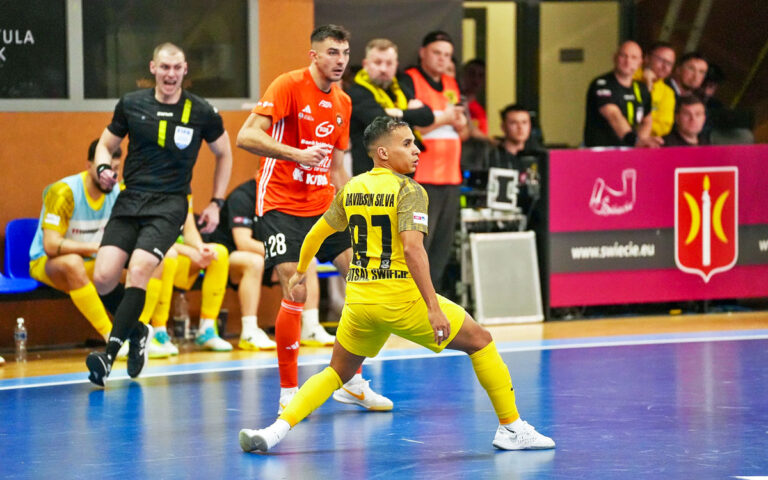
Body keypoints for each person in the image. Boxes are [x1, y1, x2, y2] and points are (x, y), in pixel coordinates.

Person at [239, 117, 555, 453]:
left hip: (360, 305)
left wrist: (300, 270)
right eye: (406, 143)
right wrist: (433, 308)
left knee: (335, 373)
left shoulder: (352, 188)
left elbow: (317, 233)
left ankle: (274, 431)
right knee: (481, 341)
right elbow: (413, 249)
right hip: (401, 301)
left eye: (414, 143)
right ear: (383, 153)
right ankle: (511, 428)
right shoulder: (409, 190)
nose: (416, 150)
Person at [236, 25, 391, 413]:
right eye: (332, 52)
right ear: (314, 55)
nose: (340, 60)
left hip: (323, 204)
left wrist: (356, 207)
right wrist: (295, 154)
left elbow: (337, 167)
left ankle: (352, 381)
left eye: (345, 53)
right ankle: (289, 391)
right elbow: (246, 136)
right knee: (297, 289)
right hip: (281, 203)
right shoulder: (288, 85)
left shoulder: (343, 101)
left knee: (361, 279)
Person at [85, 42, 233, 387]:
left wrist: (216, 202)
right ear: (153, 68)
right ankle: (138, 331)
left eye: (177, 68)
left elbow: (224, 154)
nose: (170, 74)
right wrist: (104, 167)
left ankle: (109, 356)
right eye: (164, 67)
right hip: (131, 199)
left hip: (170, 204)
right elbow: (105, 145)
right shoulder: (131, 104)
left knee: (139, 269)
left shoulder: (201, 111)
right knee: (103, 277)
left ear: (185, 70)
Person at [201, 179, 335, 350]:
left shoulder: (284, 198)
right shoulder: (242, 196)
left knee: (308, 262)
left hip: (268, 255)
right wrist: (283, 253)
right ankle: (249, 331)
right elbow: (243, 242)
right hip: (230, 255)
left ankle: (310, 327)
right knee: (254, 262)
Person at [28, 140, 122, 343]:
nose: (111, 176)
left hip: (91, 262)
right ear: (89, 165)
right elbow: (50, 245)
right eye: (105, 169)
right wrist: (92, 248)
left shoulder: (117, 193)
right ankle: (112, 337)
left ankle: (142, 333)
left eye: (116, 170)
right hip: (47, 263)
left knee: (142, 262)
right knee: (73, 262)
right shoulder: (63, 192)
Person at [401, 30, 469, 293]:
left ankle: (435, 302)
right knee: (419, 246)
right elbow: (410, 126)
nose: (442, 59)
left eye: (447, 55)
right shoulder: (410, 79)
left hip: (451, 177)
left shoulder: (451, 83)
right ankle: (412, 301)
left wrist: (458, 122)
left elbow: (462, 130)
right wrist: (445, 118)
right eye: (437, 53)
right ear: (423, 53)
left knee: (442, 247)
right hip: (422, 178)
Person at [347, 38, 433, 176]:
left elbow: (428, 116)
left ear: (396, 65)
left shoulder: (400, 90)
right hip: (371, 177)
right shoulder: (357, 92)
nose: (383, 69)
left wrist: (398, 113)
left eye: (389, 63)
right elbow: (381, 121)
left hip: (403, 177)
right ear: (365, 64)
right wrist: (409, 114)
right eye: (377, 62)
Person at [583, 40, 662, 148]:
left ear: (640, 62)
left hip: (629, 151)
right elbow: (613, 116)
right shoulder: (601, 84)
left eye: (634, 57)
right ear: (615, 57)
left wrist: (641, 143)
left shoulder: (642, 89)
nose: (628, 61)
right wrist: (635, 141)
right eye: (623, 56)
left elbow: (647, 120)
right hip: (600, 151)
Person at [634, 42, 677, 137]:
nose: (665, 67)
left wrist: (642, 126)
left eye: (669, 64)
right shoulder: (629, 78)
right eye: (661, 60)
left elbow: (664, 126)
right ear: (647, 58)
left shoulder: (667, 92)